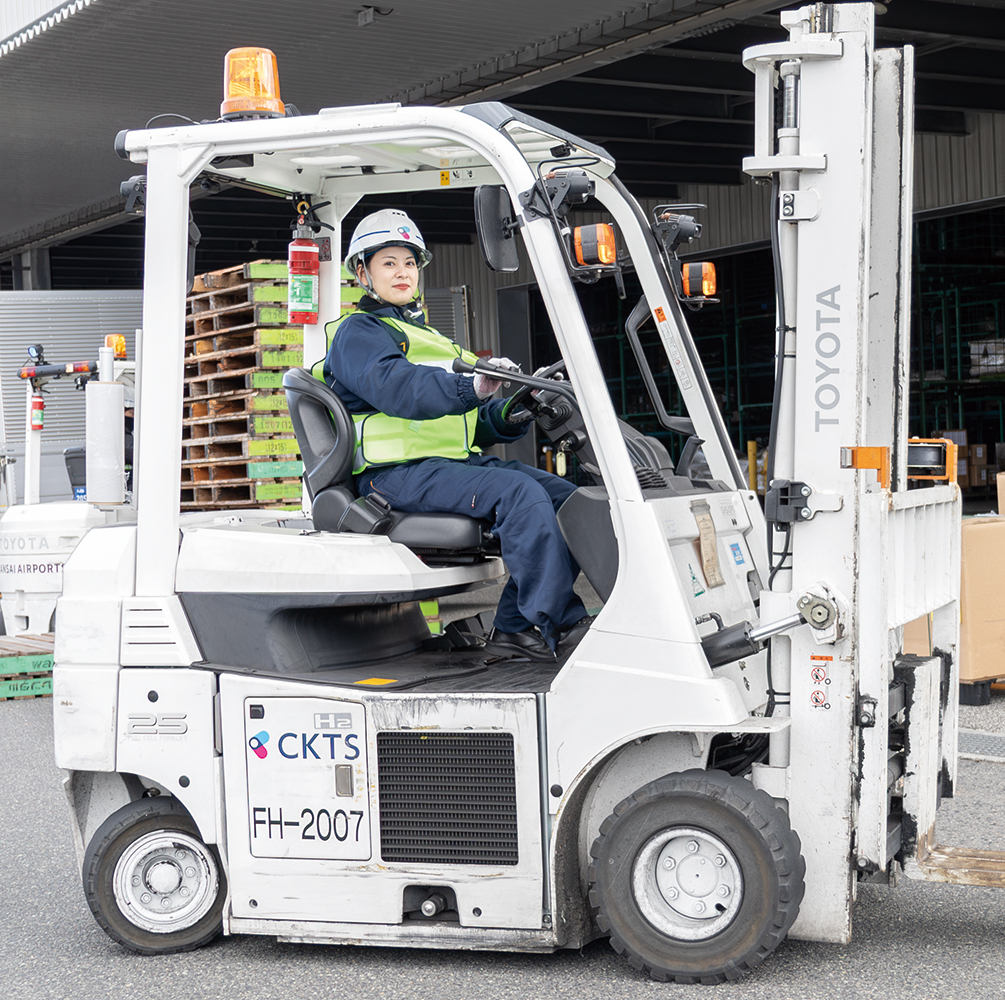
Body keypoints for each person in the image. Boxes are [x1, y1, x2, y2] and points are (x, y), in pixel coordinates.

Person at [315, 208, 593, 660]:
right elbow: (399, 389)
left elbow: (466, 421)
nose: (402, 272)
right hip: (394, 475)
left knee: (572, 501)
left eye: (409, 263)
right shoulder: (358, 333)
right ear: (363, 273)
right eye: (388, 263)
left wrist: (512, 411)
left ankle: (516, 629)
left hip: (448, 466)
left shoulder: (430, 337)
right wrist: (470, 387)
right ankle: (561, 622)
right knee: (520, 493)